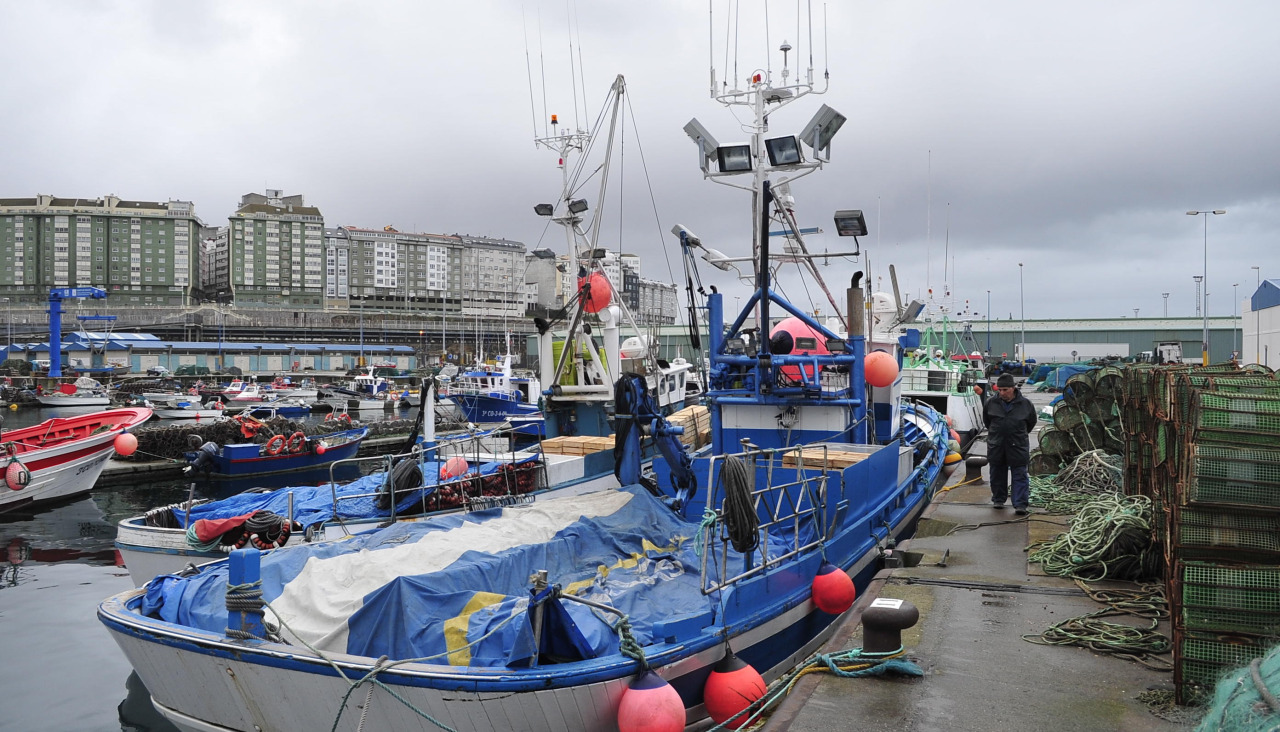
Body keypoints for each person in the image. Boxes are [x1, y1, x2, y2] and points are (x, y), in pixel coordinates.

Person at [983, 373, 1038, 515]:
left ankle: (1020, 504)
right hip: (997, 444)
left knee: (1020, 474)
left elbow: (1031, 422)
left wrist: (1017, 433)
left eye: (1005, 390)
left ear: (1013, 388)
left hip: (1017, 444)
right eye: (999, 390)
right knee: (997, 473)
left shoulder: (1026, 404)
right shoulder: (991, 403)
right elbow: (987, 421)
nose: (1002, 393)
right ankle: (998, 499)